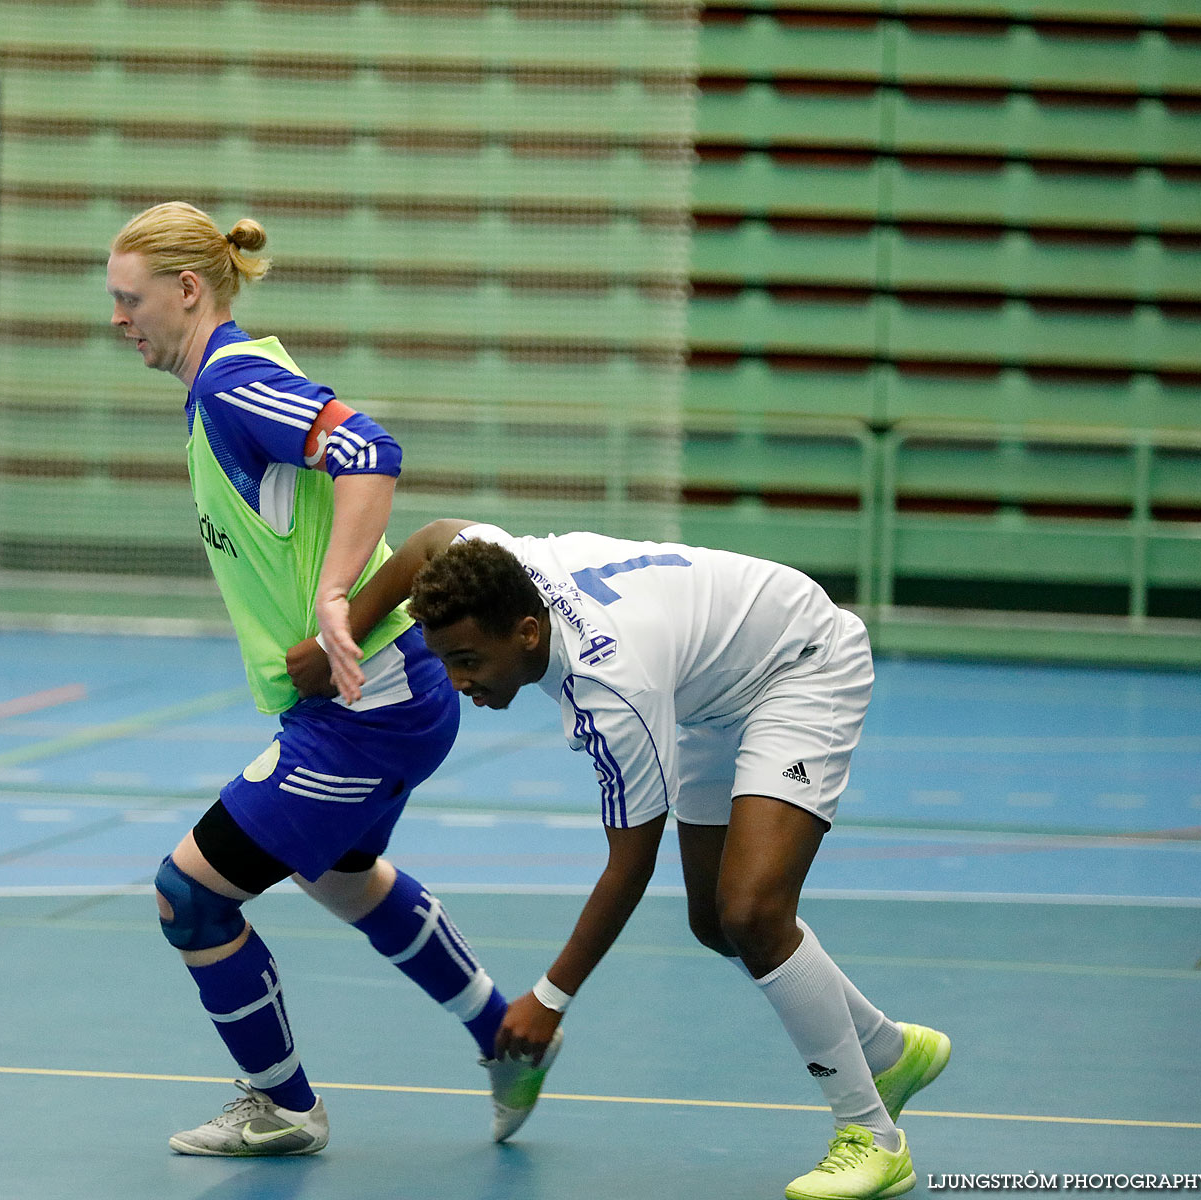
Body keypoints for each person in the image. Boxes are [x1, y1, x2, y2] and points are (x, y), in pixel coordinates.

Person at [290, 519, 952, 1200]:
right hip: (710, 686)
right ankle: (887, 1052)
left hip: (799, 664)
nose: (458, 681)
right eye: (447, 661)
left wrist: (550, 999)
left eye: (468, 660)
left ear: (526, 633)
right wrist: (336, 641)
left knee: (754, 911)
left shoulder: (610, 690)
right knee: (715, 921)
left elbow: (630, 866)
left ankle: (872, 1136)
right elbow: (431, 540)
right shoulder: (496, 572)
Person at [105, 202, 558, 1157]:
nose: (119, 319)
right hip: (380, 694)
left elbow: (368, 450)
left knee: (188, 896)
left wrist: (334, 597)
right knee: (341, 874)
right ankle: (504, 1035)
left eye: (128, 299)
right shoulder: (217, 394)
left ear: (187, 290)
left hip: (368, 703)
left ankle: (283, 1107)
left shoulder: (234, 383)